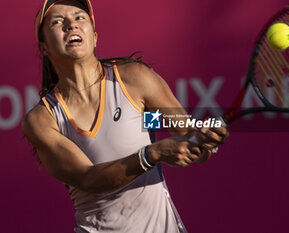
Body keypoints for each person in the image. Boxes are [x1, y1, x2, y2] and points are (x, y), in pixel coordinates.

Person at [23, 0, 229, 232]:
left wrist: (204, 141)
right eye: (58, 22)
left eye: (80, 18)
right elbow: (90, 179)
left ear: (95, 36)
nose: (72, 25)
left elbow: (191, 141)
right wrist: (151, 154)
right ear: (43, 47)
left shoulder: (136, 79)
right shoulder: (42, 120)